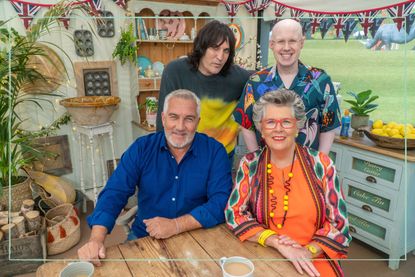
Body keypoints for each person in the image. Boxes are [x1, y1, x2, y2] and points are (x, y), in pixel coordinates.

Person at [79, 89, 232, 265]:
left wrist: (176, 225)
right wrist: (96, 239)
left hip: (197, 235)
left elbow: (222, 201)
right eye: (174, 117)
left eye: (189, 119)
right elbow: (115, 192)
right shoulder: (142, 148)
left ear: (198, 122)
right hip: (146, 237)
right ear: (163, 118)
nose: (180, 127)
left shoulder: (214, 151)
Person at [225, 89, 351, 277]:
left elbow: (339, 224)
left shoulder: (322, 164)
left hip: (314, 256)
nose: (278, 129)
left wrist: (306, 251)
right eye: (270, 122)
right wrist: (275, 241)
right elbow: (234, 213)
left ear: (298, 125)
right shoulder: (250, 164)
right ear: (260, 127)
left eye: (286, 122)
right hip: (266, 252)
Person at [234, 19, 341, 155]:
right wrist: (257, 160)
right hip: (268, 167)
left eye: (292, 41)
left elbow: (329, 126)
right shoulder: (256, 82)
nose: (286, 47)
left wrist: (320, 162)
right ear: (272, 44)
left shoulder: (320, 80)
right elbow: (246, 124)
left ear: (301, 43)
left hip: (307, 166)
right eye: (280, 41)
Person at [156, 20, 251, 160]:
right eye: (214, 48)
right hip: (183, 155)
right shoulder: (175, 71)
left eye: (226, 51)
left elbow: (267, 79)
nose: (220, 57)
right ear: (202, 47)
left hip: (222, 157)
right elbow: (162, 122)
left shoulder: (239, 77)